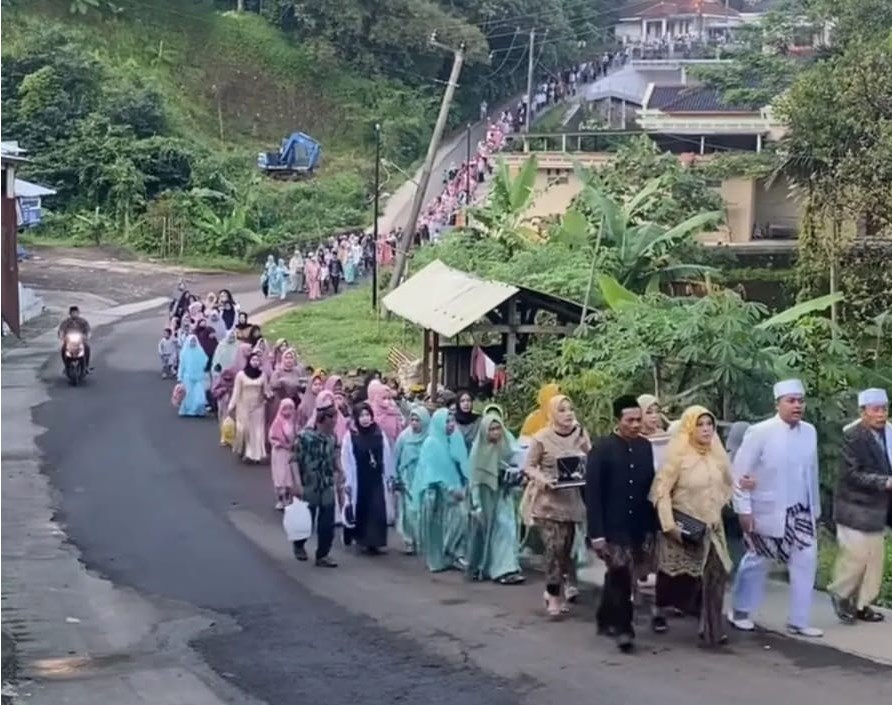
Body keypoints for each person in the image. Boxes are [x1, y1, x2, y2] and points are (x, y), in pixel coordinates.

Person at [729, 379, 823, 638]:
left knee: (806, 561)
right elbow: (740, 472)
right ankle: (740, 610)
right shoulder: (760, 431)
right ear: (778, 404)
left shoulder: (809, 431)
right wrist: (743, 509)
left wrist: (815, 509)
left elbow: (812, 473)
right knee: (758, 560)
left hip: (801, 511)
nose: (797, 406)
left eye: (800, 401)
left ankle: (798, 620)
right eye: (791, 401)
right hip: (767, 509)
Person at [650, 405, 735, 647]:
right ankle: (661, 609)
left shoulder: (716, 455)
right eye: (700, 424)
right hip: (685, 526)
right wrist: (669, 525)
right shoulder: (678, 456)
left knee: (716, 574)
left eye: (709, 424)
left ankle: (712, 629)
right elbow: (662, 491)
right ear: (689, 427)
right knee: (676, 577)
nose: (706, 429)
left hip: (712, 526)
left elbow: (727, 484)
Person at [586, 395, 656, 651]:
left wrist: (651, 527)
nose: (636, 425)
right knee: (621, 575)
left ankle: (604, 617)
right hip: (610, 527)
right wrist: (597, 534)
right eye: (630, 420)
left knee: (620, 574)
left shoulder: (645, 447)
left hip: (636, 525)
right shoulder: (602, 448)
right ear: (618, 420)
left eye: (639, 419)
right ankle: (624, 628)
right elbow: (592, 494)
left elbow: (649, 488)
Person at [523, 395, 591, 617]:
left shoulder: (579, 434)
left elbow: (591, 457)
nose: (568, 414)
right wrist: (542, 479)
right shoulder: (541, 438)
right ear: (553, 414)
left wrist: (584, 443)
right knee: (553, 548)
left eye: (570, 409)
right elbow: (528, 466)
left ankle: (558, 588)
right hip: (548, 503)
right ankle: (552, 594)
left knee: (565, 552)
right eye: (562, 410)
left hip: (570, 501)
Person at [828, 388, 892, 624]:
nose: (881, 414)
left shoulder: (889, 433)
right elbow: (851, 474)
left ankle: (863, 605)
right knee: (855, 557)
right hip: (854, 506)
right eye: (876, 409)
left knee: (875, 560)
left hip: (879, 508)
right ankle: (840, 593)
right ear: (863, 412)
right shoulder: (852, 436)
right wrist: (884, 482)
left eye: (884, 409)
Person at [466, 412, 525, 585]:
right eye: (491, 429)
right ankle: (486, 566)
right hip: (486, 500)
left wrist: (514, 477)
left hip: (503, 497)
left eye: (498, 428)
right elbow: (475, 480)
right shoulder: (478, 452)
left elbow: (517, 464)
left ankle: (505, 569)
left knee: (506, 530)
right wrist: (476, 505)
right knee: (487, 534)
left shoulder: (506, 447)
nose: (496, 433)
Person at [414, 408, 469, 572]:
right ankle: (439, 559)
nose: (451, 425)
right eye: (447, 421)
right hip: (437, 494)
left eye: (452, 421)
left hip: (454, 490)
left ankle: (454, 554)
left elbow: (461, 462)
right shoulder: (431, 443)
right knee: (438, 527)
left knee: (459, 521)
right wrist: (448, 488)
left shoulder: (453, 439)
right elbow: (431, 471)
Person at [292, 404, 344, 567]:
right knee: (305, 521)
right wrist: (297, 483)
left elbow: (335, 457)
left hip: (326, 484)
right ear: (323, 419)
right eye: (332, 418)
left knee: (327, 523)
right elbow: (294, 460)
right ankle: (299, 545)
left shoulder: (332, 437)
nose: (335, 421)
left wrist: (341, 471)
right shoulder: (304, 437)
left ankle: (323, 554)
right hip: (309, 484)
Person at [341, 403, 395, 554]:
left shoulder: (379, 433)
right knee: (361, 508)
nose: (365, 419)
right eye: (361, 416)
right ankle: (362, 539)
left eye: (367, 415)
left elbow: (386, 455)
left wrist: (390, 475)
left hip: (376, 477)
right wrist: (347, 479)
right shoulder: (351, 435)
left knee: (377, 508)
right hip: (359, 477)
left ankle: (376, 541)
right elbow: (346, 458)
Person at [393, 406, 430, 554]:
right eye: (412, 419)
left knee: (423, 510)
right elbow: (396, 457)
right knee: (409, 511)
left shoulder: (430, 438)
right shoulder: (404, 437)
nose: (414, 423)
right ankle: (409, 541)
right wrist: (396, 478)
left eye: (418, 420)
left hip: (424, 477)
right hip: (407, 478)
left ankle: (423, 540)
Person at [228, 352, 269, 463]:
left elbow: (266, 390)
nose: (255, 362)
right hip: (243, 406)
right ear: (249, 361)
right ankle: (244, 450)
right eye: (253, 360)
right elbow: (236, 392)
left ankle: (254, 455)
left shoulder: (262, 375)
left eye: (257, 360)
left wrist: (269, 397)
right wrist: (231, 405)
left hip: (258, 407)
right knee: (244, 430)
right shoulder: (241, 375)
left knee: (257, 431)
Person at [269, 398, 297, 510]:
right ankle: (281, 499)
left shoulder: (294, 422)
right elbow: (272, 437)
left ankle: (289, 498)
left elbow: (297, 435)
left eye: (290, 408)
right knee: (280, 477)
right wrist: (279, 444)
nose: (288, 411)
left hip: (290, 452)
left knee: (289, 477)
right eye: (285, 408)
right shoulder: (277, 422)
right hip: (279, 453)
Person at [176, 335, 208, 417]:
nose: (193, 343)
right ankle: (188, 410)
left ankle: (197, 410)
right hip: (187, 377)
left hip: (199, 377)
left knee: (198, 394)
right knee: (188, 394)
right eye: (191, 341)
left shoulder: (200, 351)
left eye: (194, 341)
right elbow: (182, 365)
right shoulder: (184, 352)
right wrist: (180, 376)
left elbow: (205, 362)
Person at [58, 305, 92, 371]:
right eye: (73, 313)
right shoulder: (66, 322)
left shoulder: (83, 321)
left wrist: (87, 336)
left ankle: (86, 366)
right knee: (63, 350)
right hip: (68, 340)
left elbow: (88, 330)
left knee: (87, 348)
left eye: (76, 312)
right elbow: (61, 329)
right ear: (70, 314)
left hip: (80, 340)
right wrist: (61, 336)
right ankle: (66, 365)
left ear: (78, 313)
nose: (74, 314)